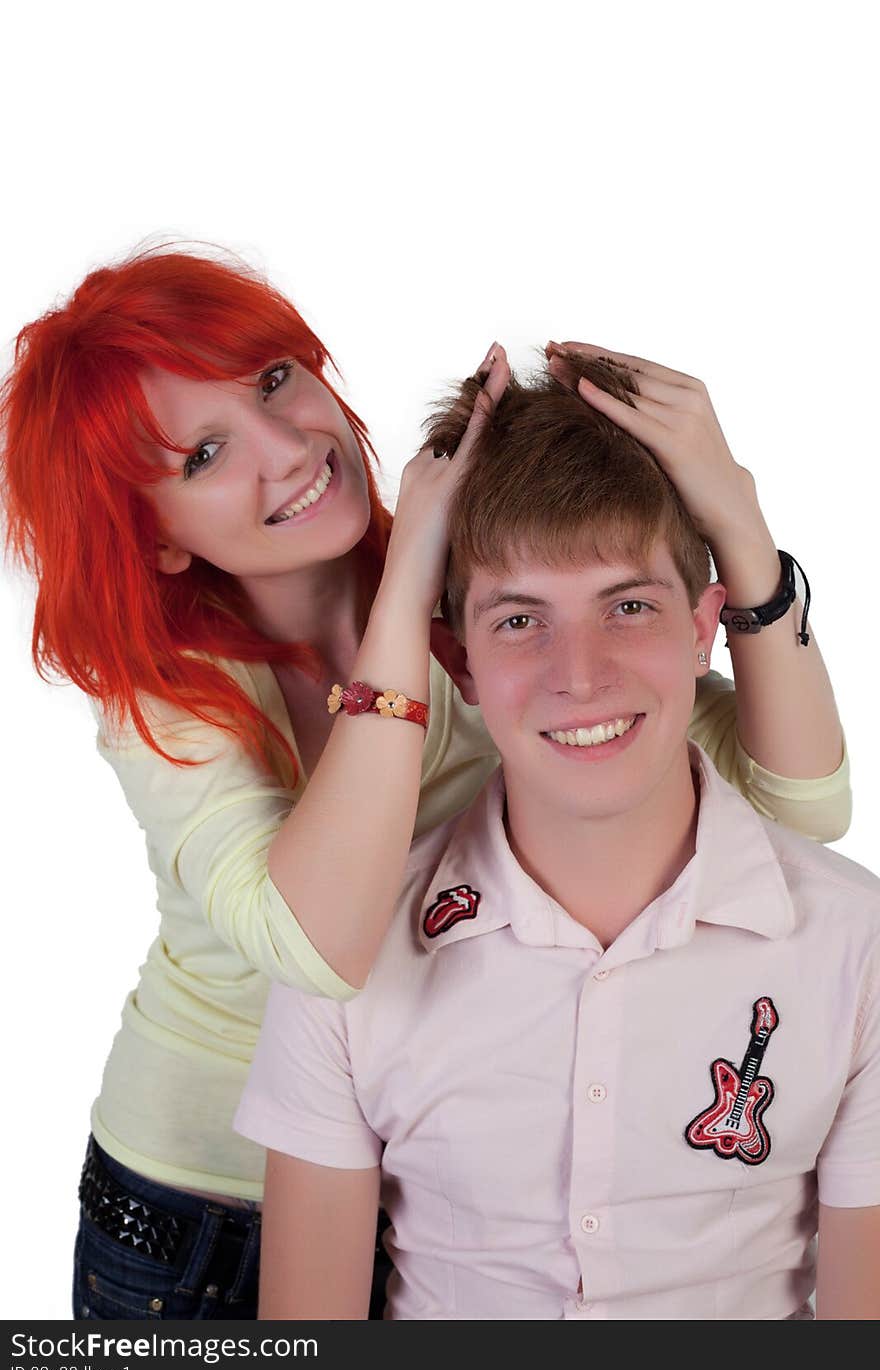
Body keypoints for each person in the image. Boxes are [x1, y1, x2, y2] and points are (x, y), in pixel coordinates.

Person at [0, 247, 849, 1321]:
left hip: (419, 1182)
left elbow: (798, 803)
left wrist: (734, 515)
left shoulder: (484, 608)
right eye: (204, 454)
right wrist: (407, 593)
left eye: (271, 381)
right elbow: (323, 949)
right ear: (153, 539)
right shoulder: (161, 693)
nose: (287, 447)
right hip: (205, 1213)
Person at [237, 355, 879, 1321]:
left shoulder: (855, 946)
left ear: (706, 627)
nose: (580, 675)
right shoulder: (349, 963)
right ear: (453, 658)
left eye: (628, 606)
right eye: (521, 619)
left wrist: (736, 509)